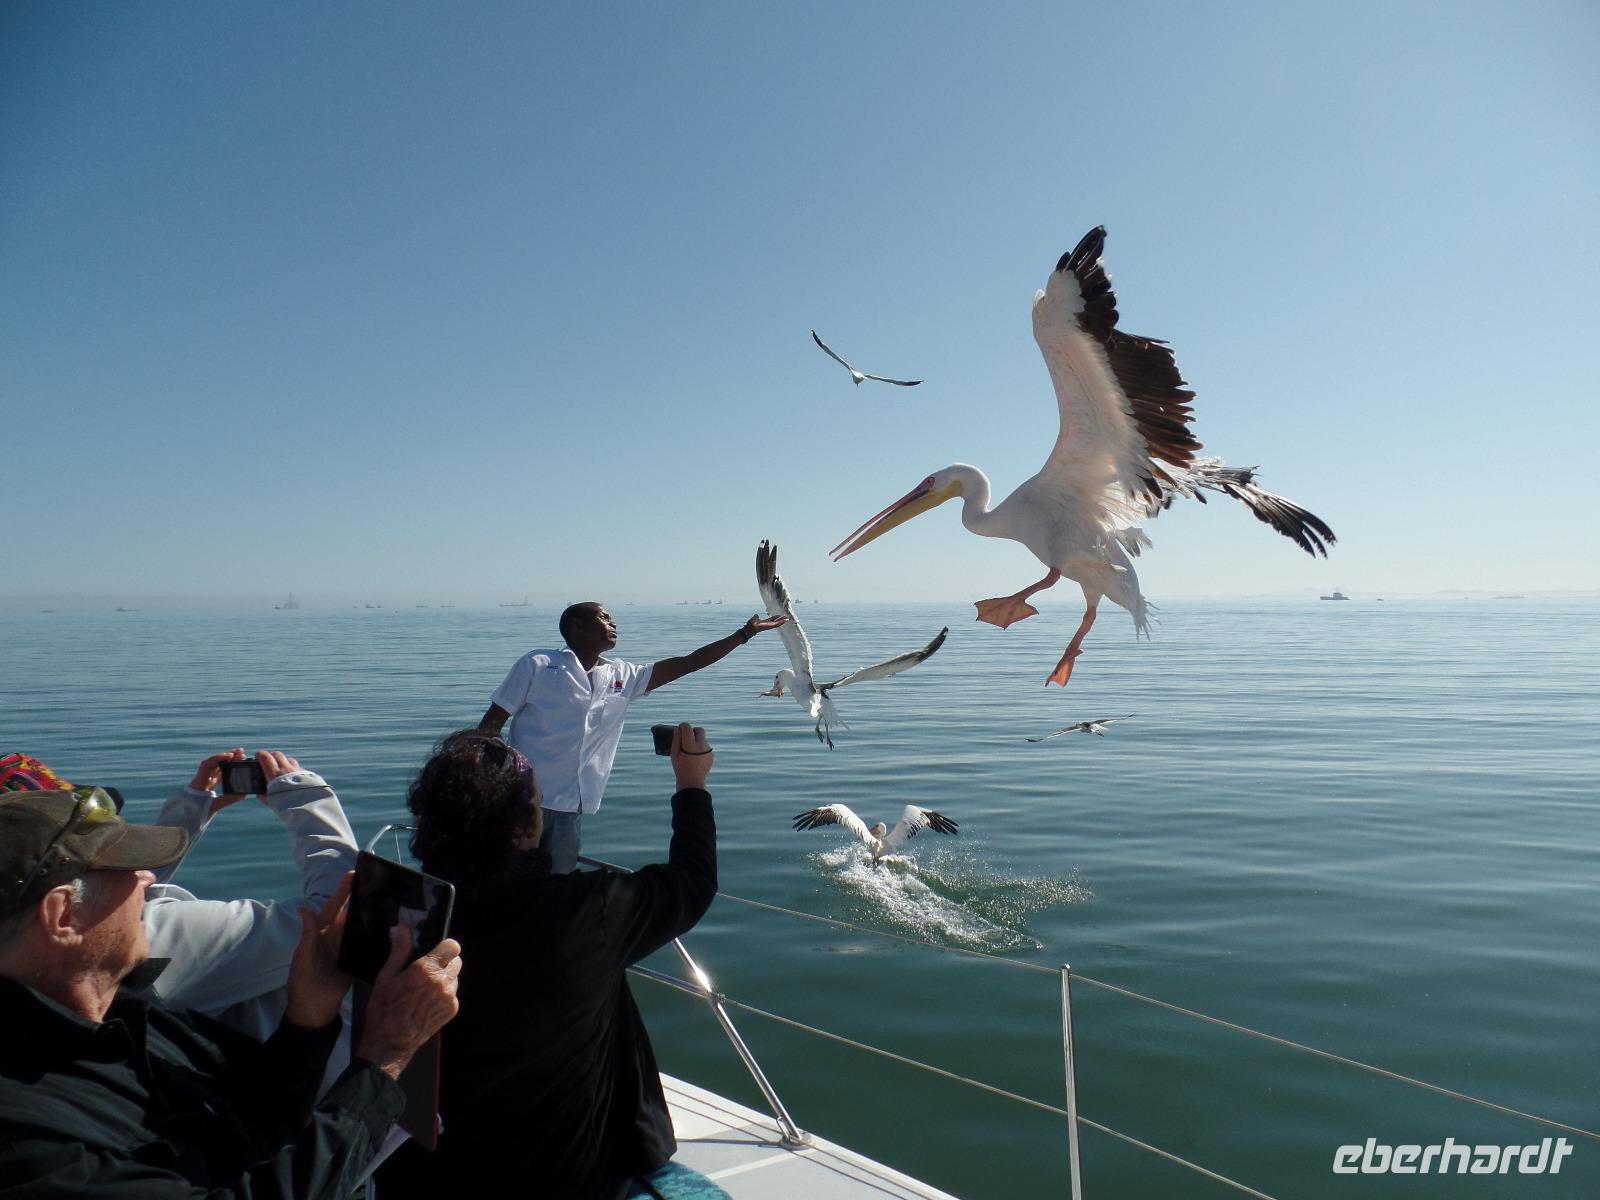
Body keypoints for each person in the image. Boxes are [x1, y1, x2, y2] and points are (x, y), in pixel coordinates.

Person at [0, 781, 463, 1198]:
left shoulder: (121, 1008)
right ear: (64, 917)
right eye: (124, 868)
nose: (147, 879)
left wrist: (309, 1017)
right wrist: (386, 1055)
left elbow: (253, 1113)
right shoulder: (28, 1141)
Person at [373, 722, 725, 1200]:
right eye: (537, 805)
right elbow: (692, 882)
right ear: (526, 827)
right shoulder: (584, 912)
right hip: (567, 1180)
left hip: (429, 1178)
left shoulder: (393, 917)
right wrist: (691, 784)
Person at [478, 601, 785, 872]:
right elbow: (490, 726)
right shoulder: (538, 665)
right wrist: (491, 783)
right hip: (522, 801)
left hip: (571, 809)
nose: (614, 624)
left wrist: (744, 635)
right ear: (578, 625)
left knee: (554, 894)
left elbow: (690, 663)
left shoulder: (622, 675)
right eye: (604, 617)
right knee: (503, 880)